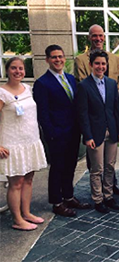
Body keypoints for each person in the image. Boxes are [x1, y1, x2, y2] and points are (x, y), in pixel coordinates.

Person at [34, 45, 91, 217]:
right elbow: (42, 113)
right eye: (54, 57)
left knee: (70, 165)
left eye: (60, 56)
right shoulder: (42, 83)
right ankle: (57, 202)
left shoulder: (70, 79)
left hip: (73, 131)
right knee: (57, 167)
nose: (58, 60)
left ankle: (68, 196)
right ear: (47, 60)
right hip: (57, 133)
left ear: (64, 58)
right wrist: (51, 133)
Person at [74, 24, 119, 195]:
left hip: (111, 127)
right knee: (97, 168)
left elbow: (116, 107)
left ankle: (109, 194)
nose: (101, 67)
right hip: (95, 129)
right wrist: (87, 135)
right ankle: (98, 198)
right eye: (97, 64)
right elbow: (82, 112)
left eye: (103, 64)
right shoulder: (84, 82)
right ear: (91, 65)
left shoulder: (110, 81)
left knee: (110, 166)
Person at [0, 57, 47, 230]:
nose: (17, 71)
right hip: (13, 143)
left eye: (20, 68)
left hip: (30, 140)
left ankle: (26, 213)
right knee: (16, 182)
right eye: (13, 68)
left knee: (28, 179)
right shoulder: (2, 92)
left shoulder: (27, 88)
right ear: (7, 70)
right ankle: (17, 219)